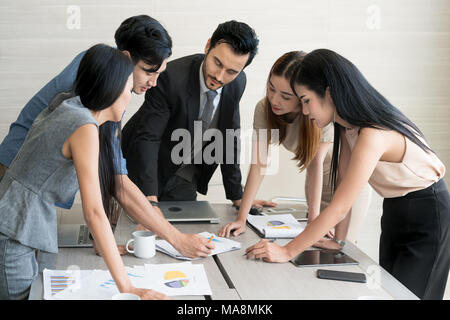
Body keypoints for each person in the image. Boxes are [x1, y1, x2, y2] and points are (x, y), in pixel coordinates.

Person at [0, 15, 213, 258]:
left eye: (159, 73)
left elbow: (109, 168)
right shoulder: (97, 80)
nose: (154, 82)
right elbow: (116, 181)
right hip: (17, 179)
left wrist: (104, 241)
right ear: (125, 57)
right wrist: (177, 239)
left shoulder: (110, 80)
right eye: (148, 71)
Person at [244, 48, 450, 300]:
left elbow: (339, 207)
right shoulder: (346, 127)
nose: (305, 111)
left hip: (429, 213)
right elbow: (342, 183)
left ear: (328, 93)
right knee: (390, 291)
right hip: (396, 209)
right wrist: (338, 240)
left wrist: (287, 251)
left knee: (412, 296)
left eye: (306, 100)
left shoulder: (373, 134)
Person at [0, 44, 192, 300]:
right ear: (111, 87)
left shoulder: (71, 107)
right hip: (14, 233)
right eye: (128, 87)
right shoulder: (83, 126)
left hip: (23, 226)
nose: (130, 95)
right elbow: (93, 212)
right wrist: (129, 288)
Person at [122, 20, 273, 210]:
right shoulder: (170, 78)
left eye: (231, 71)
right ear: (208, 46)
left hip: (184, 174)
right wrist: (150, 199)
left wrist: (238, 196)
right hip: (143, 169)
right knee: (136, 231)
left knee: (186, 230)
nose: (219, 76)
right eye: (217, 63)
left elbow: (229, 136)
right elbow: (148, 138)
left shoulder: (237, 83)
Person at [219, 51, 344, 241]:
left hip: (344, 181)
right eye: (271, 88)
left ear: (303, 97)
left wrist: (314, 220)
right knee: (314, 243)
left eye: (285, 96)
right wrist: (241, 219)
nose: (274, 100)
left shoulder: (319, 111)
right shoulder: (264, 108)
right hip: (315, 185)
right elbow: (259, 164)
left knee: (338, 245)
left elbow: (315, 165)